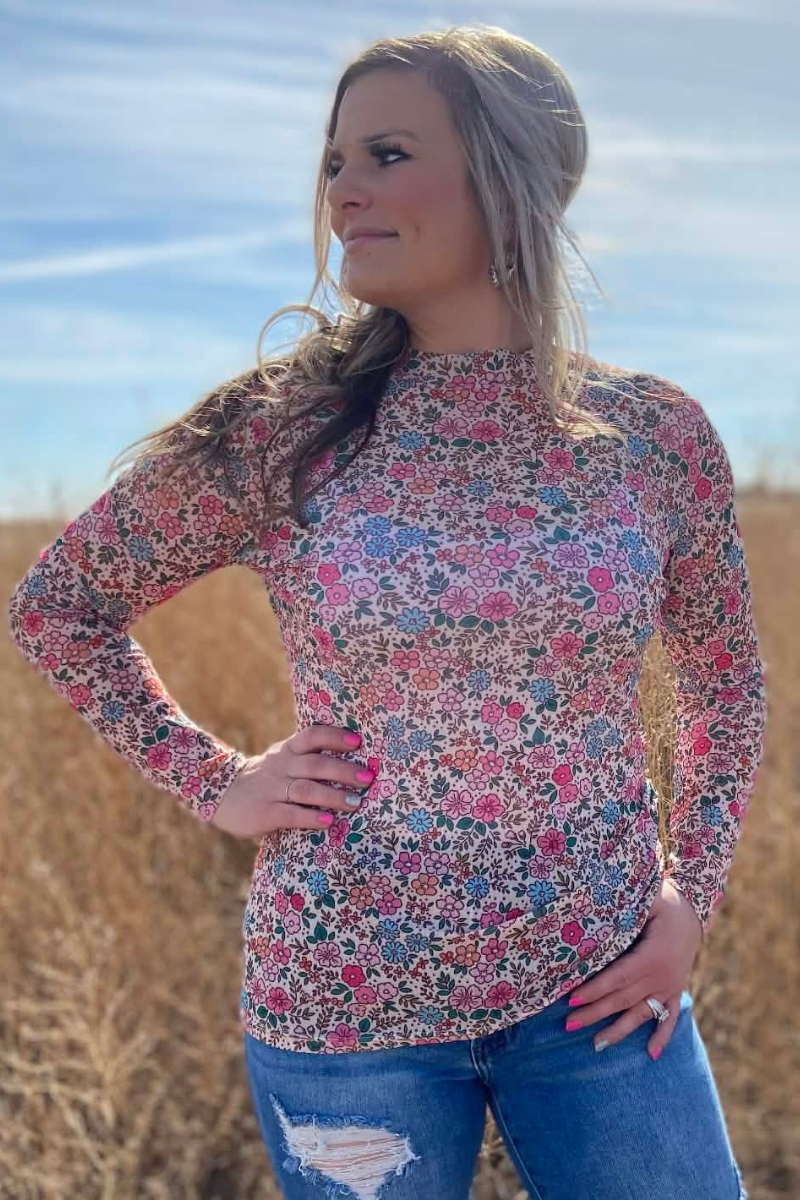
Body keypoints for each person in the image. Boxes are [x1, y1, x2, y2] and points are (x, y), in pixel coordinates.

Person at [7, 24, 766, 1200]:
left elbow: (724, 679)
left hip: (604, 986)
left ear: (508, 178)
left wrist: (688, 902)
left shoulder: (651, 435)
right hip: (345, 1008)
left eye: (387, 153)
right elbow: (60, 605)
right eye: (334, 162)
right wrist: (216, 782)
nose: (342, 190)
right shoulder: (284, 429)